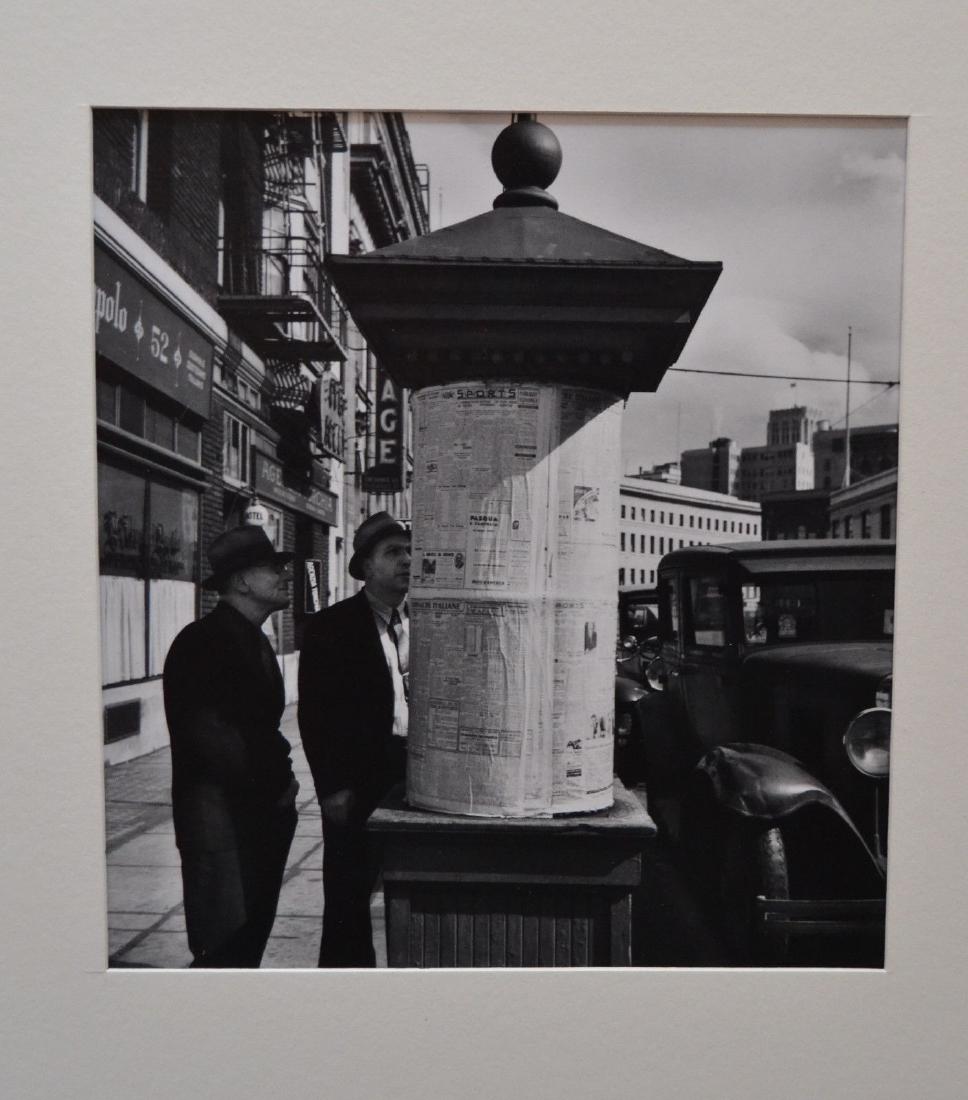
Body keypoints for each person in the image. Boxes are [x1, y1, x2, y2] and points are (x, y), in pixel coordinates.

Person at [162, 525, 299, 967]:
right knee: (225, 949)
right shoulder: (202, 642)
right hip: (222, 825)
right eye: (272, 567)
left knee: (247, 944)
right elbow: (211, 739)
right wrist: (277, 781)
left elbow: (257, 729)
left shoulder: (251, 636)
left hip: (256, 820)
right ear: (241, 581)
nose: (284, 575)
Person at [298, 511, 411, 967]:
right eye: (392, 553)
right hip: (358, 782)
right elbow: (315, 716)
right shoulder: (333, 627)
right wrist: (332, 788)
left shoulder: (423, 620)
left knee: (408, 885)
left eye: (408, 551)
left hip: (412, 771)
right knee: (348, 896)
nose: (406, 560)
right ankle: (344, 987)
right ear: (365, 567)